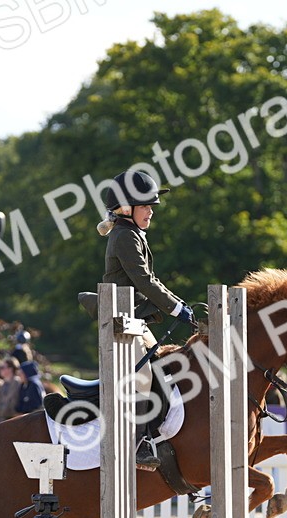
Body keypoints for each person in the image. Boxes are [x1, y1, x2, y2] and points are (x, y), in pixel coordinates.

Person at [83, 169, 195, 469]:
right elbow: (144, 281)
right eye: (145, 206)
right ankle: (137, 443)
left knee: (159, 369)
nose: (151, 211)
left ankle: (152, 435)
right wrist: (175, 309)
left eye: (151, 206)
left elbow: (150, 281)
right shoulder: (124, 237)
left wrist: (179, 304)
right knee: (143, 375)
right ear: (125, 208)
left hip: (133, 321)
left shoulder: (131, 234)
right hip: (120, 323)